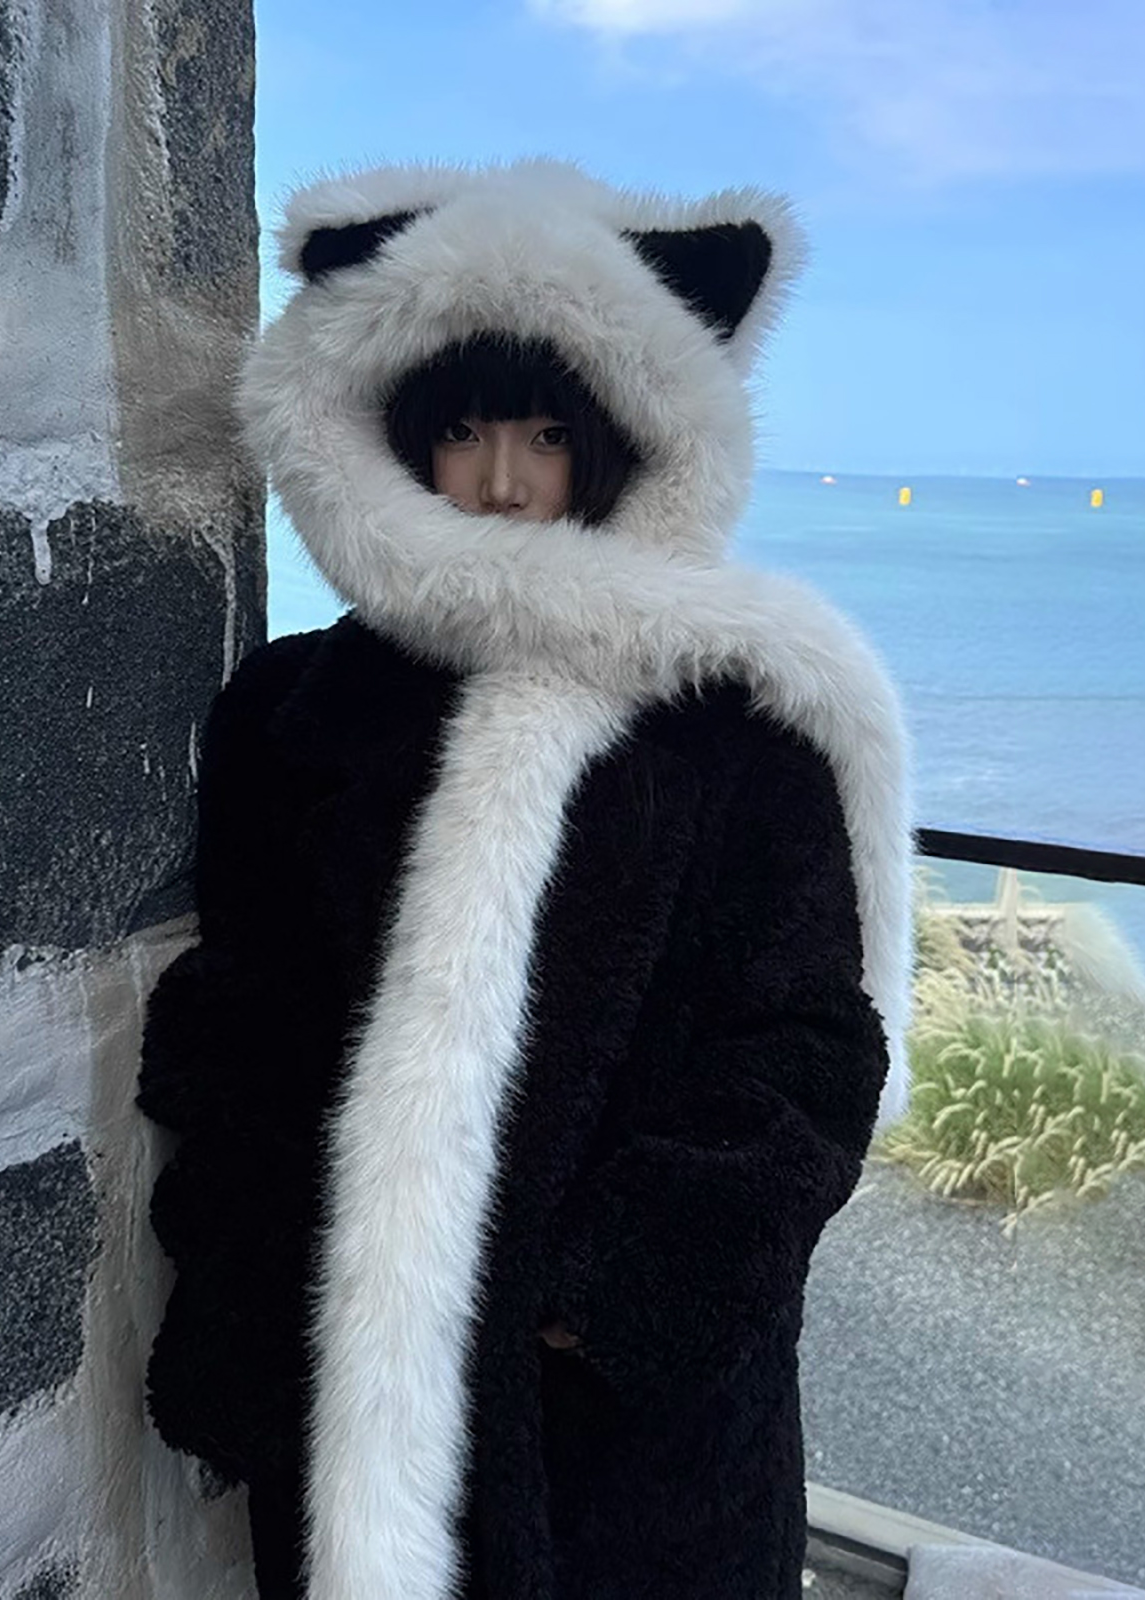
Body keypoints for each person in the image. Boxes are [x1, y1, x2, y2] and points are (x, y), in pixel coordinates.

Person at [137, 160, 914, 1600]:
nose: (501, 481)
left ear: (622, 441)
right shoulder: (295, 711)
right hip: (354, 1395)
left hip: (634, 1438)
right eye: (465, 429)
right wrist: (246, 1286)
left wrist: (624, 1291)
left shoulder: (738, 724)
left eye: (549, 433)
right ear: (395, 437)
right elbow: (238, 1021)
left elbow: (804, 1050)